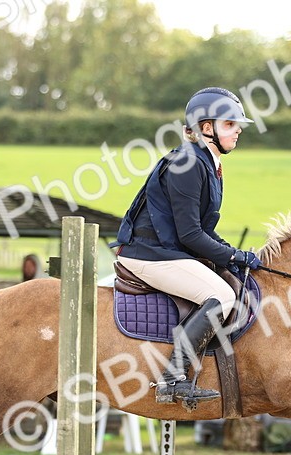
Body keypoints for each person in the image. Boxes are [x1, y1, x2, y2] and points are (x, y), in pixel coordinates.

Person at [111, 87, 264, 407]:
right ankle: (171, 378)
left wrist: (234, 253)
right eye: (230, 124)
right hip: (149, 256)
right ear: (206, 128)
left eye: (237, 125)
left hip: (168, 252)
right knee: (221, 295)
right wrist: (233, 255)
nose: (238, 130)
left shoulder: (208, 162)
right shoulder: (188, 162)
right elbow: (191, 235)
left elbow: (204, 230)